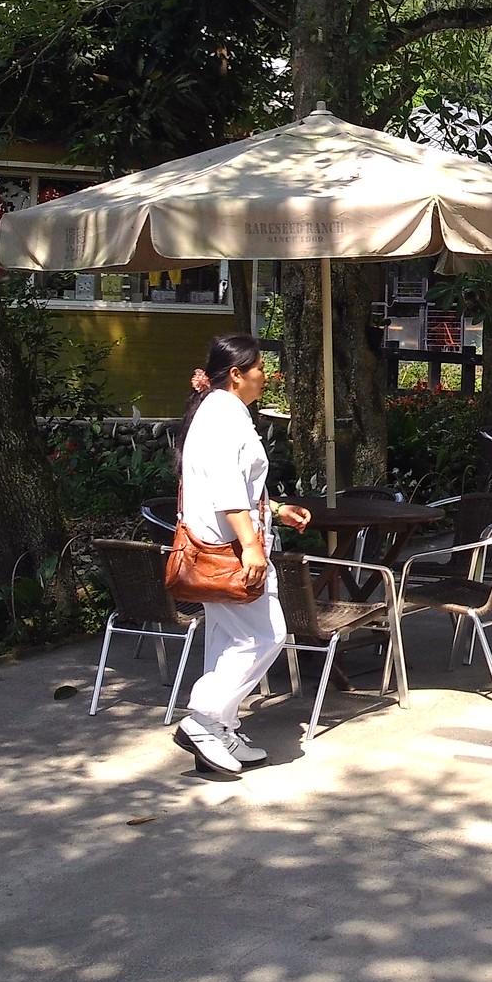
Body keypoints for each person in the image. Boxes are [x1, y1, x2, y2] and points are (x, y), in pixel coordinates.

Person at [173, 333, 311, 778]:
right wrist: (252, 545)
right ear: (237, 374)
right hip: (229, 548)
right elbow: (228, 491)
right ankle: (203, 717)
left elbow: (237, 486)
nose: (266, 377)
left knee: (227, 641)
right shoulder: (223, 416)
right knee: (267, 634)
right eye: (259, 369)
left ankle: (220, 729)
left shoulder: (223, 412)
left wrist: (274, 509)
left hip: (219, 544)